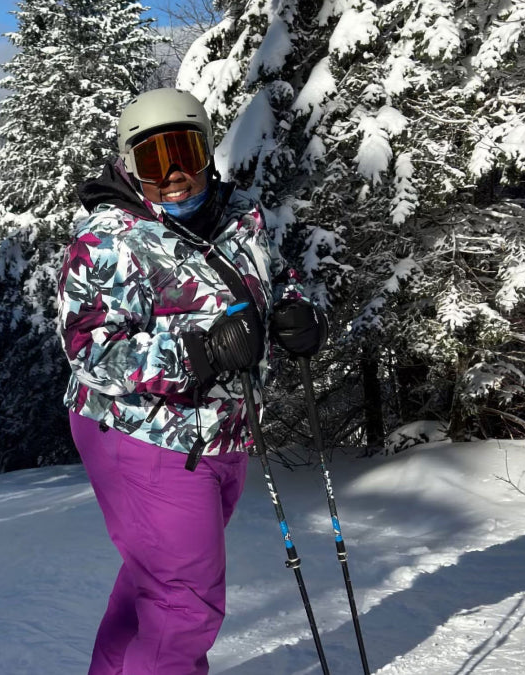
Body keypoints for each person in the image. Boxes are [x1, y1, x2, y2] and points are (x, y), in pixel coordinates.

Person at [56, 88, 326, 675]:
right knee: (184, 603)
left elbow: (280, 281)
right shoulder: (107, 240)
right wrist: (197, 352)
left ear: (207, 150)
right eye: (154, 160)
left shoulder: (240, 217)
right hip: (142, 436)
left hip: (222, 433)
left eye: (185, 151)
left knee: (155, 585)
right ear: (129, 166)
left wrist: (299, 316)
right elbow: (87, 348)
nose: (174, 174)